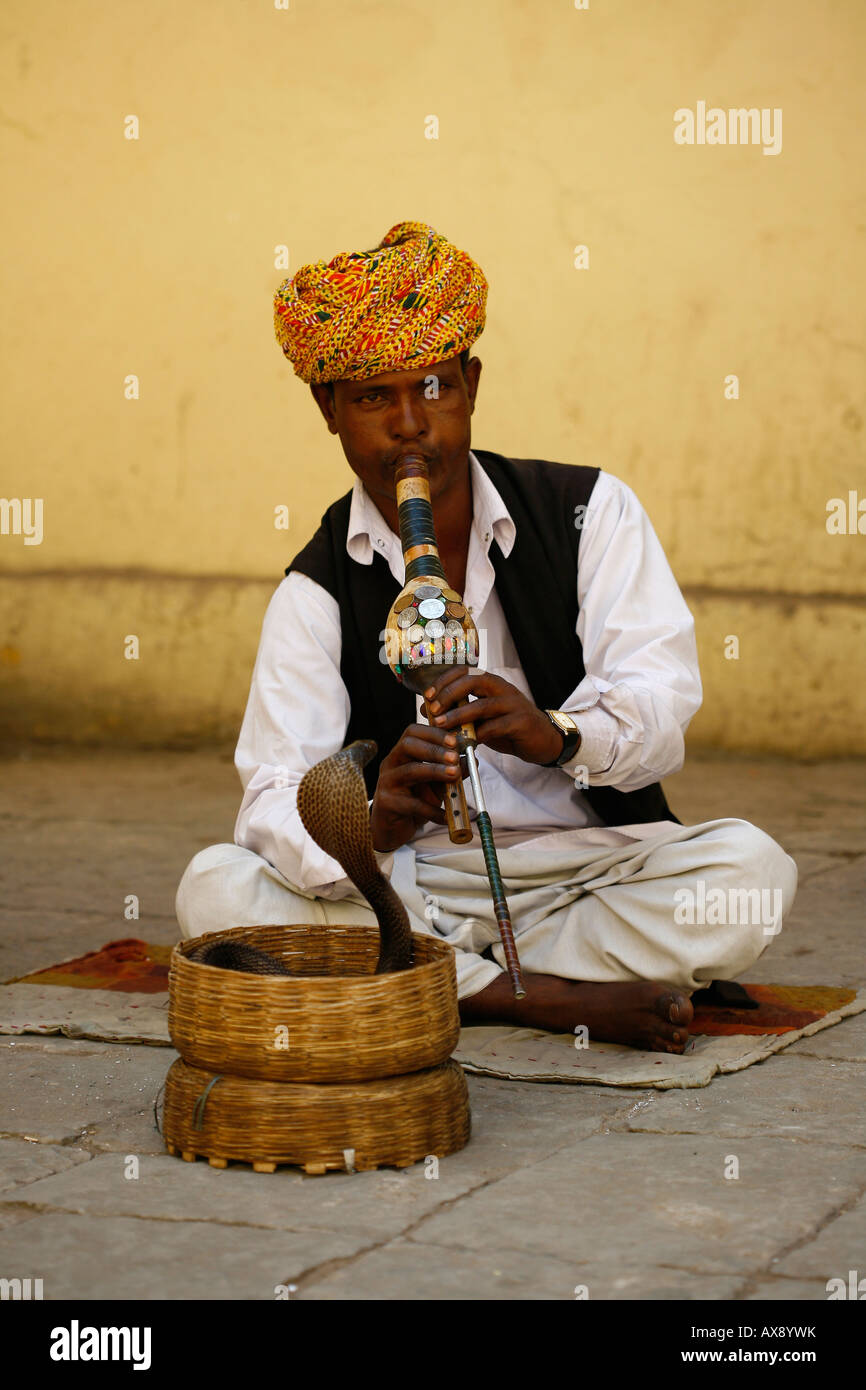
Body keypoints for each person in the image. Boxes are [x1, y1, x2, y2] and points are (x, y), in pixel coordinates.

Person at [175, 220, 797, 1054]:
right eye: (371, 398)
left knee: (751, 874)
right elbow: (270, 797)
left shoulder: (591, 511)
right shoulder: (315, 588)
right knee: (216, 889)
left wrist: (560, 735)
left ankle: (437, 976)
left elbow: (660, 709)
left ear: (469, 384)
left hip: (585, 867)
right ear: (329, 410)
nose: (408, 426)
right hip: (412, 881)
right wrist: (371, 823)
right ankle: (529, 997)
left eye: (431, 388)